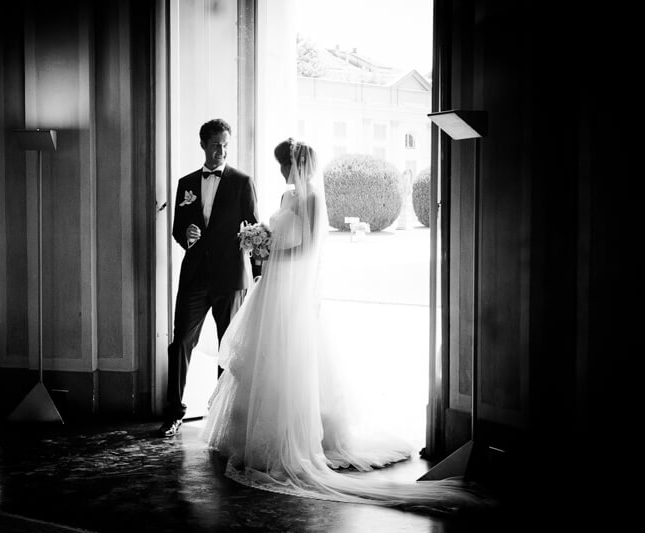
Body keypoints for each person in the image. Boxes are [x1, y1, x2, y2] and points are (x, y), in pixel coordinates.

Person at [200, 138, 495, 514]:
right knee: (262, 362)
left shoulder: (313, 201)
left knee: (290, 363)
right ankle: (251, 439)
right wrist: (263, 244)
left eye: (283, 164)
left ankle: (294, 440)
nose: (281, 171)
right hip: (271, 289)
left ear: (298, 164)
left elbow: (308, 251)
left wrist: (272, 248)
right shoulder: (286, 198)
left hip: (291, 293)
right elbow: (280, 238)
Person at [159, 118, 261, 437]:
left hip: (231, 278)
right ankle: (174, 412)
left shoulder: (242, 182)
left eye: (226, 144)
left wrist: (257, 276)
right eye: (215, 144)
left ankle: (221, 416)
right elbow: (178, 230)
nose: (221, 150)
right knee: (180, 344)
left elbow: (255, 231)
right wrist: (186, 235)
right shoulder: (186, 183)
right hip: (194, 277)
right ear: (203, 144)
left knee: (227, 347)